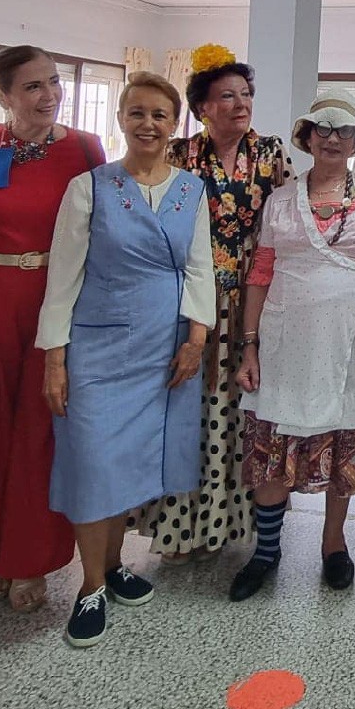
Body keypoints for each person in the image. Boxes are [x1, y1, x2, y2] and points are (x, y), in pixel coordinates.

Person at [37, 72, 215, 649]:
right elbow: (61, 280)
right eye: (137, 113)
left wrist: (196, 339)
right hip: (97, 348)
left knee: (134, 464)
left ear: (175, 124)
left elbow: (198, 268)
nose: (148, 124)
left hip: (164, 349)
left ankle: (113, 565)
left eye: (159, 115)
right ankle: (89, 586)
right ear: (121, 119)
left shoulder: (191, 189)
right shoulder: (88, 188)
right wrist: (55, 360)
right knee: (94, 461)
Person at [132, 44, 294, 564]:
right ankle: (181, 525)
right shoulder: (178, 155)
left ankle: (238, 524)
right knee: (185, 411)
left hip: (252, 300)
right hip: (188, 298)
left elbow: (286, 226)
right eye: (226, 97)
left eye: (245, 94)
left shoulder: (270, 153)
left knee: (241, 414)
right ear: (203, 107)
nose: (240, 104)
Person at [0, 45, 105, 613]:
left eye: (54, 82)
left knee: (40, 432)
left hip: (60, 300)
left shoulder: (84, 148)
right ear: (3, 95)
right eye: (33, 87)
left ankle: (30, 560)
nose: (49, 96)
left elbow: (104, 230)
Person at [229, 91, 355, 600]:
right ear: (306, 137)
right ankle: (267, 549)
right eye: (322, 129)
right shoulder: (280, 200)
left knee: (342, 438)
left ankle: (334, 543)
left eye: (344, 131)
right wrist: (248, 346)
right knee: (274, 445)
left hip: (350, 341)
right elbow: (260, 272)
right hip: (284, 343)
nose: (333, 139)